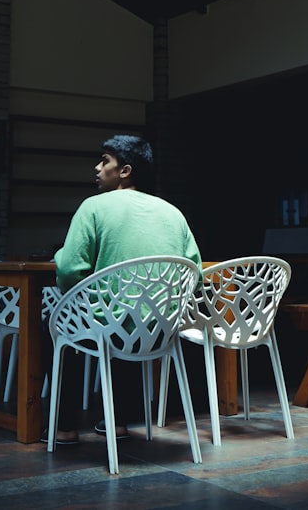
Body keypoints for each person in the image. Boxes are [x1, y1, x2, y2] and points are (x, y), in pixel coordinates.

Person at [47, 134, 201, 445]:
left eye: (105, 161)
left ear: (125, 171)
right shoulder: (173, 213)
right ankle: (116, 423)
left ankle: (64, 427)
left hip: (109, 328)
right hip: (161, 330)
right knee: (131, 313)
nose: (97, 167)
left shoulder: (93, 207)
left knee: (59, 323)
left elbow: (69, 272)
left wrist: (60, 256)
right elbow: (193, 270)